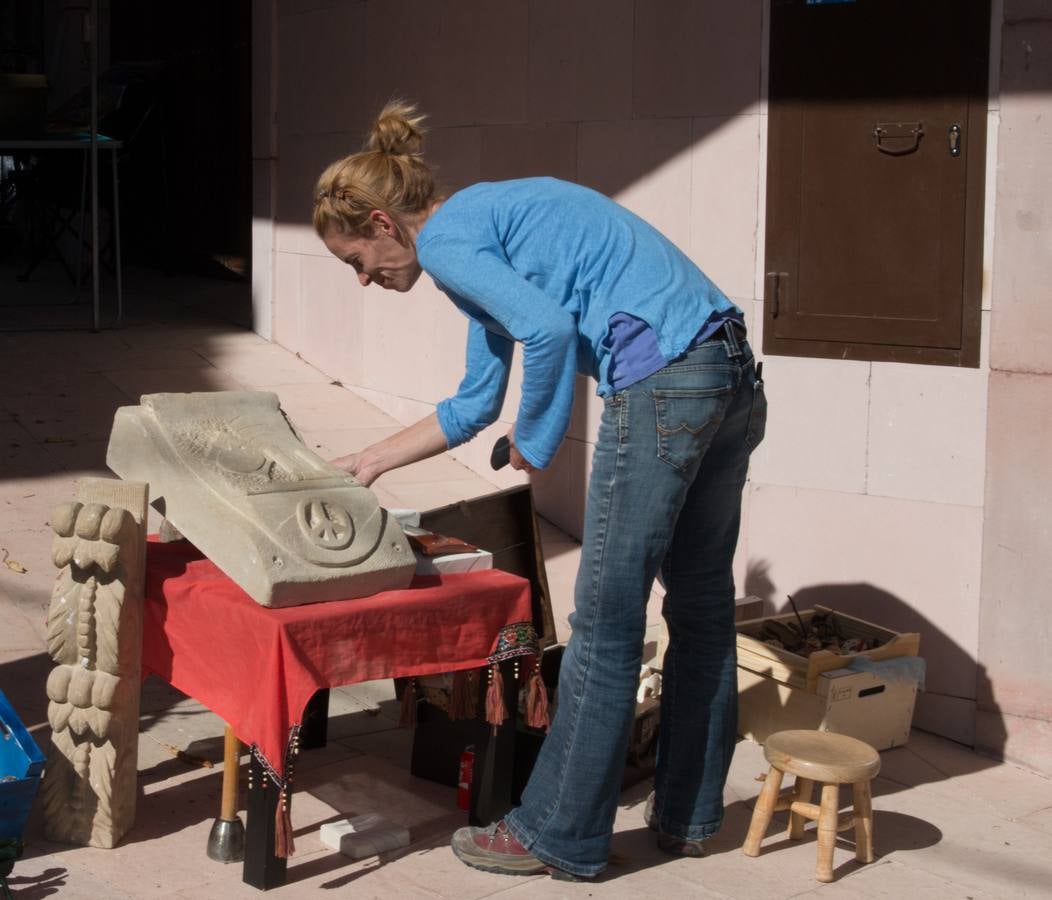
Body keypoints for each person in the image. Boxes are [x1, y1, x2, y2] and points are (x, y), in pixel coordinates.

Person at [312, 100, 767, 881]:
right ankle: (689, 815)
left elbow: (549, 332)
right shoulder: (484, 222)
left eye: (356, 258)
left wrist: (537, 437)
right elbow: (473, 400)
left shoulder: (450, 244)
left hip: (662, 379)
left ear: (385, 222)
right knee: (699, 605)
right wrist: (370, 461)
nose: (363, 278)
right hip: (725, 367)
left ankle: (558, 832)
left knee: (606, 620)